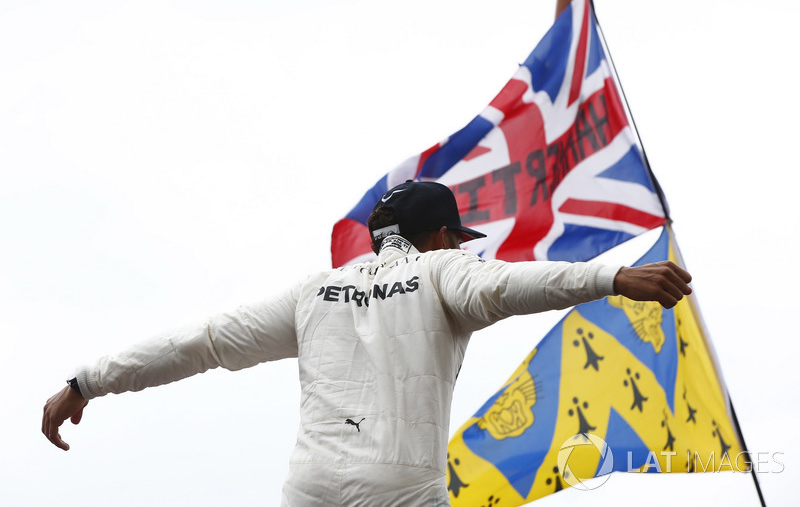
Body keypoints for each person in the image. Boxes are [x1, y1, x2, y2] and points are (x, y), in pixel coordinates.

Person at [42, 180, 692, 506]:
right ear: (440, 236)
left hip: (312, 487)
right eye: (457, 238)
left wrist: (87, 381)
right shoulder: (441, 269)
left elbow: (201, 341)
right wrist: (613, 275)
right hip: (401, 486)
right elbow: (507, 289)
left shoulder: (314, 291)